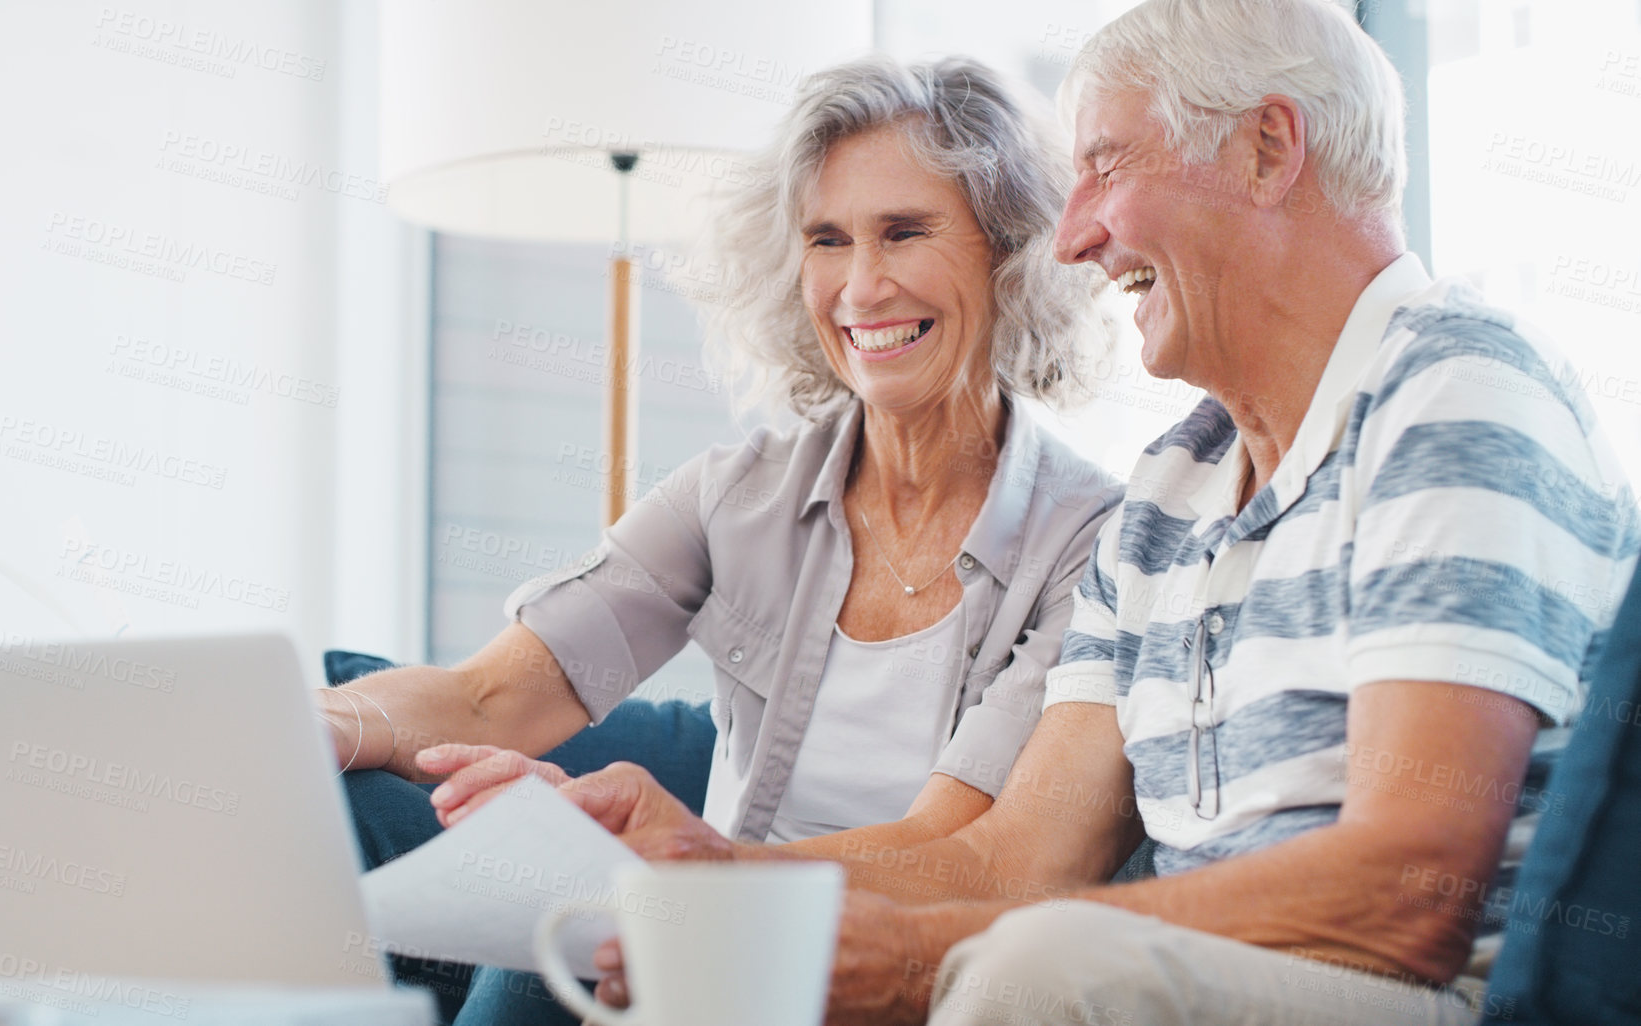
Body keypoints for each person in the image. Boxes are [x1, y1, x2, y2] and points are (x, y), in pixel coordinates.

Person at [428, 2, 1641, 1023]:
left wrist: (920, 962)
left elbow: (1410, 888)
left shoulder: (1451, 393)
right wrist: (717, 874)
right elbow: (1009, 859)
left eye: (1106, 167)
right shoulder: (1170, 494)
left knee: (1036, 964)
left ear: (1269, 151)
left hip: (1398, 990)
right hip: (1167, 977)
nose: (1072, 236)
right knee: (635, 940)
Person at [321, 54, 1123, 1023]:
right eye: (827, 241)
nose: (861, 286)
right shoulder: (738, 494)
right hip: (693, 937)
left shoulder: (1092, 544)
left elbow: (949, 852)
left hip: (878, 965)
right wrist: (325, 725)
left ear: (1010, 252)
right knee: (340, 822)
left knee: (572, 935)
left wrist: (701, 875)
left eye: (904, 233)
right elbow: (488, 697)